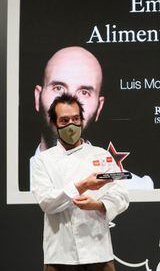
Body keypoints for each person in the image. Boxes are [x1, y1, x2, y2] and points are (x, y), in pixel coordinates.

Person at [31, 46, 153, 190]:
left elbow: (130, 183)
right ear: (38, 97)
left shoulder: (132, 185)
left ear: (99, 107)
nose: (70, 104)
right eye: (58, 88)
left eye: (84, 92)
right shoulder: (19, 175)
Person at [32, 94, 130, 270]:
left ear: (82, 120)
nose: (71, 125)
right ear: (54, 124)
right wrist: (82, 186)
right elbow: (47, 202)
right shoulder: (42, 161)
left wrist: (99, 204)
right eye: (64, 120)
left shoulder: (102, 156)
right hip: (60, 255)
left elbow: (121, 193)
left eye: (76, 119)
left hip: (99, 253)